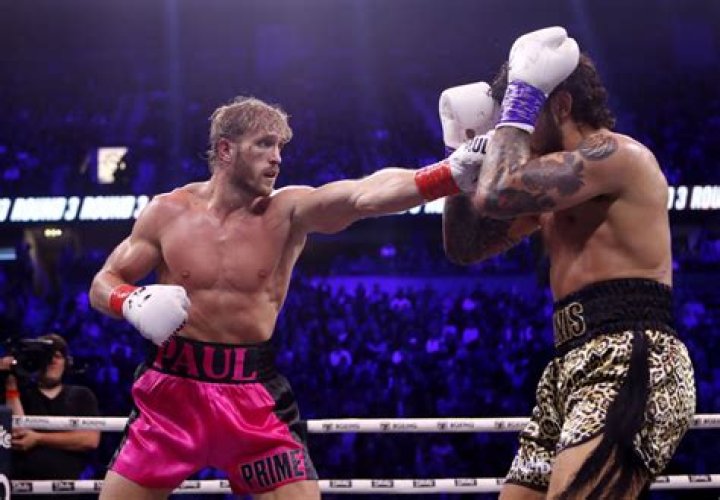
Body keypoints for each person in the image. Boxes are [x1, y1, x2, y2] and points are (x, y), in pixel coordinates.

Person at [88, 95, 487, 500]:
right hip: (170, 396)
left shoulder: (288, 211)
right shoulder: (166, 212)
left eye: (280, 146)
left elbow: (362, 196)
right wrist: (130, 301)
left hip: (253, 397)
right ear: (225, 150)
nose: (277, 157)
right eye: (264, 144)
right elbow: (104, 282)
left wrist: (446, 174)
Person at [443, 27, 696, 499]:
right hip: (566, 368)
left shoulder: (616, 157)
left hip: (631, 358)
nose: (512, 131)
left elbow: (498, 192)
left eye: (524, 112)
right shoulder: (548, 188)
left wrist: (517, 105)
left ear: (559, 105)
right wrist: (459, 156)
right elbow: (465, 247)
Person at [1, 334, 100, 500]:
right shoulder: (21, 393)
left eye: (58, 356)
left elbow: (90, 439)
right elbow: (19, 435)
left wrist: (38, 438)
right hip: (24, 493)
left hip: (68, 494)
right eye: (47, 356)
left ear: (66, 363)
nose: (52, 361)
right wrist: (10, 383)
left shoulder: (81, 395)